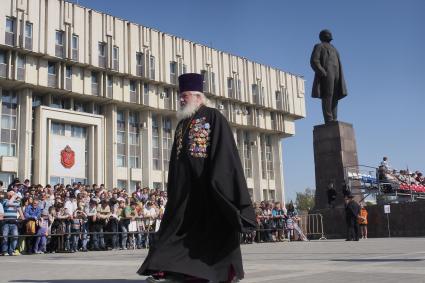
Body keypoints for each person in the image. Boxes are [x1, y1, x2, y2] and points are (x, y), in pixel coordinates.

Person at [139, 73, 256, 283]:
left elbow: (225, 153)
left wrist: (221, 186)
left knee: (212, 235)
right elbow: (176, 161)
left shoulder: (213, 117)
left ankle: (218, 274)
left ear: (198, 96)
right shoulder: (182, 124)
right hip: (185, 194)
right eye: (180, 96)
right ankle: (171, 271)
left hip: (208, 191)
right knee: (174, 231)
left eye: (185, 95)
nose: (181, 99)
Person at [310, 29, 347, 123]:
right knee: (328, 95)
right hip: (327, 73)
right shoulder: (319, 46)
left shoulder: (334, 48)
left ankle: (334, 117)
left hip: (337, 73)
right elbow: (314, 60)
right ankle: (328, 118)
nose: (330, 34)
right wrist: (322, 71)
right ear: (322, 36)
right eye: (327, 33)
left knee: (335, 95)